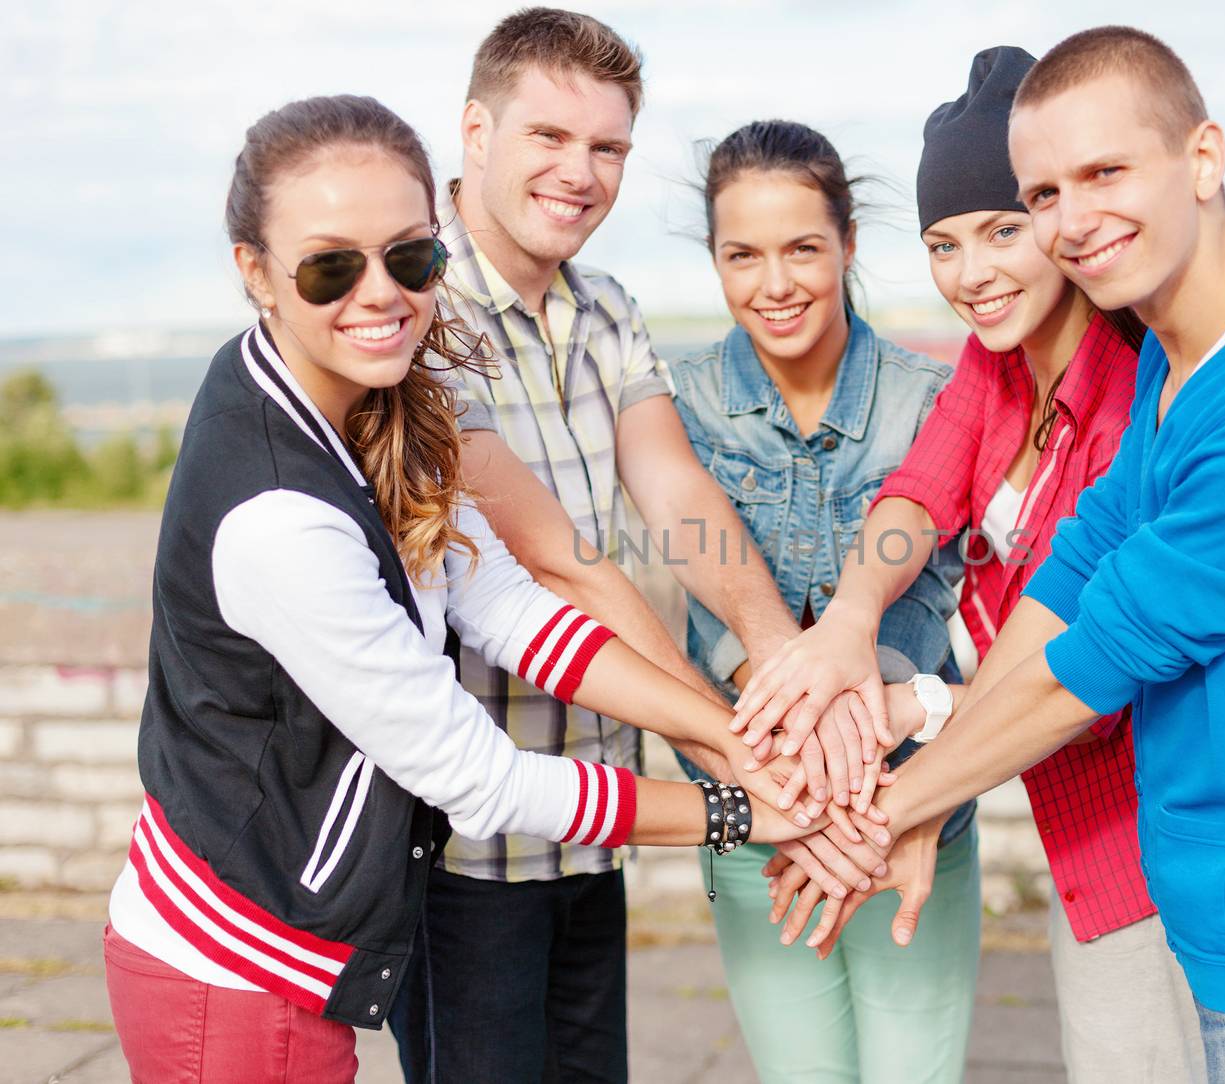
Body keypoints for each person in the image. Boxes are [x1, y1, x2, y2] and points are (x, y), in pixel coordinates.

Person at [740, 25, 1225, 1084]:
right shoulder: (1193, 352)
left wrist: (889, 806)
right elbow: (1076, 574)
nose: (1072, 222)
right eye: (1045, 194)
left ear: (1202, 159)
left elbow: (1088, 671)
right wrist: (895, 724)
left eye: (1104, 172)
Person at [102, 94, 814, 1084]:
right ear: (255, 273)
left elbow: (513, 606)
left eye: (411, 257)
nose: (379, 293)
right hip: (230, 977)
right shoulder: (281, 519)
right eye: (329, 266)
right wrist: (744, 810)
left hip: (272, 956)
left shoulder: (359, 400)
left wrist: (738, 741)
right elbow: (481, 778)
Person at [386, 11, 872, 1081]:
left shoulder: (603, 306)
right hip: (468, 837)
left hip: (598, 806)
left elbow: (673, 491)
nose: (580, 173)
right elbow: (558, 564)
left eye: (606, 147)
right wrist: (744, 762)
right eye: (549, 138)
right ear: (475, 131)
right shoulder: (415, 305)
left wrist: (782, 660)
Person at [747, 47, 1204, 1080]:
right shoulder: (995, 369)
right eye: (943, 245)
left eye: (1003, 229)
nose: (973, 273)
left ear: (1055, 218)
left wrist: (920, 736)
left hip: (1156, 825)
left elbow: (1083, 653)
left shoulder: (1133, 397)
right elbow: (918, 491)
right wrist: (848, 623)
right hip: (1071, 809)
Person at [668, 119, 980, 1083]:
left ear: (848, 244)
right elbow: (707, 603)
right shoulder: (675, 407)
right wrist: (801, 775)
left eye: (804, 247)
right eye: (743, 255)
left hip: (909, 807)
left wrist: (864, 794)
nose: (776, 283)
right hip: (757, 807)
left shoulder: (936, 399)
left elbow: (924, 605)